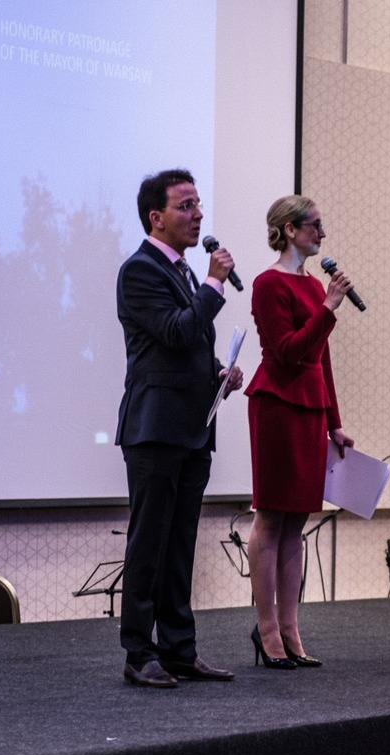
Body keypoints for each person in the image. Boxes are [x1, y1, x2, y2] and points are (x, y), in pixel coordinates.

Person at [115, 169, 243, 688]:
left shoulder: (184, 272)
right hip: (154, 428)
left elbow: (186, 347)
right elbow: (173, 332)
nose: (198, 215)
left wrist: (218, 373)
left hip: (191, 427)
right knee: (149, 544)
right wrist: (213, 283)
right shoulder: (139, 271)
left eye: (198, 204)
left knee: (180, 545)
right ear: (157, 217)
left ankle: (179, 650)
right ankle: (138, 653)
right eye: (186, 205)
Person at [243, 195, 355, 669]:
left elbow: (320, 359)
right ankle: (266, 628)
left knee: (297, 524)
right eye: (315, 225)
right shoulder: (268, 284)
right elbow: (289, 353)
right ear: (289, 230)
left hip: (309, 408)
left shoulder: (313, 285)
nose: (322, 234)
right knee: (271, 518)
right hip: (278, 405)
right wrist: (328, 307)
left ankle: (290, 628)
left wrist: (335, 423)